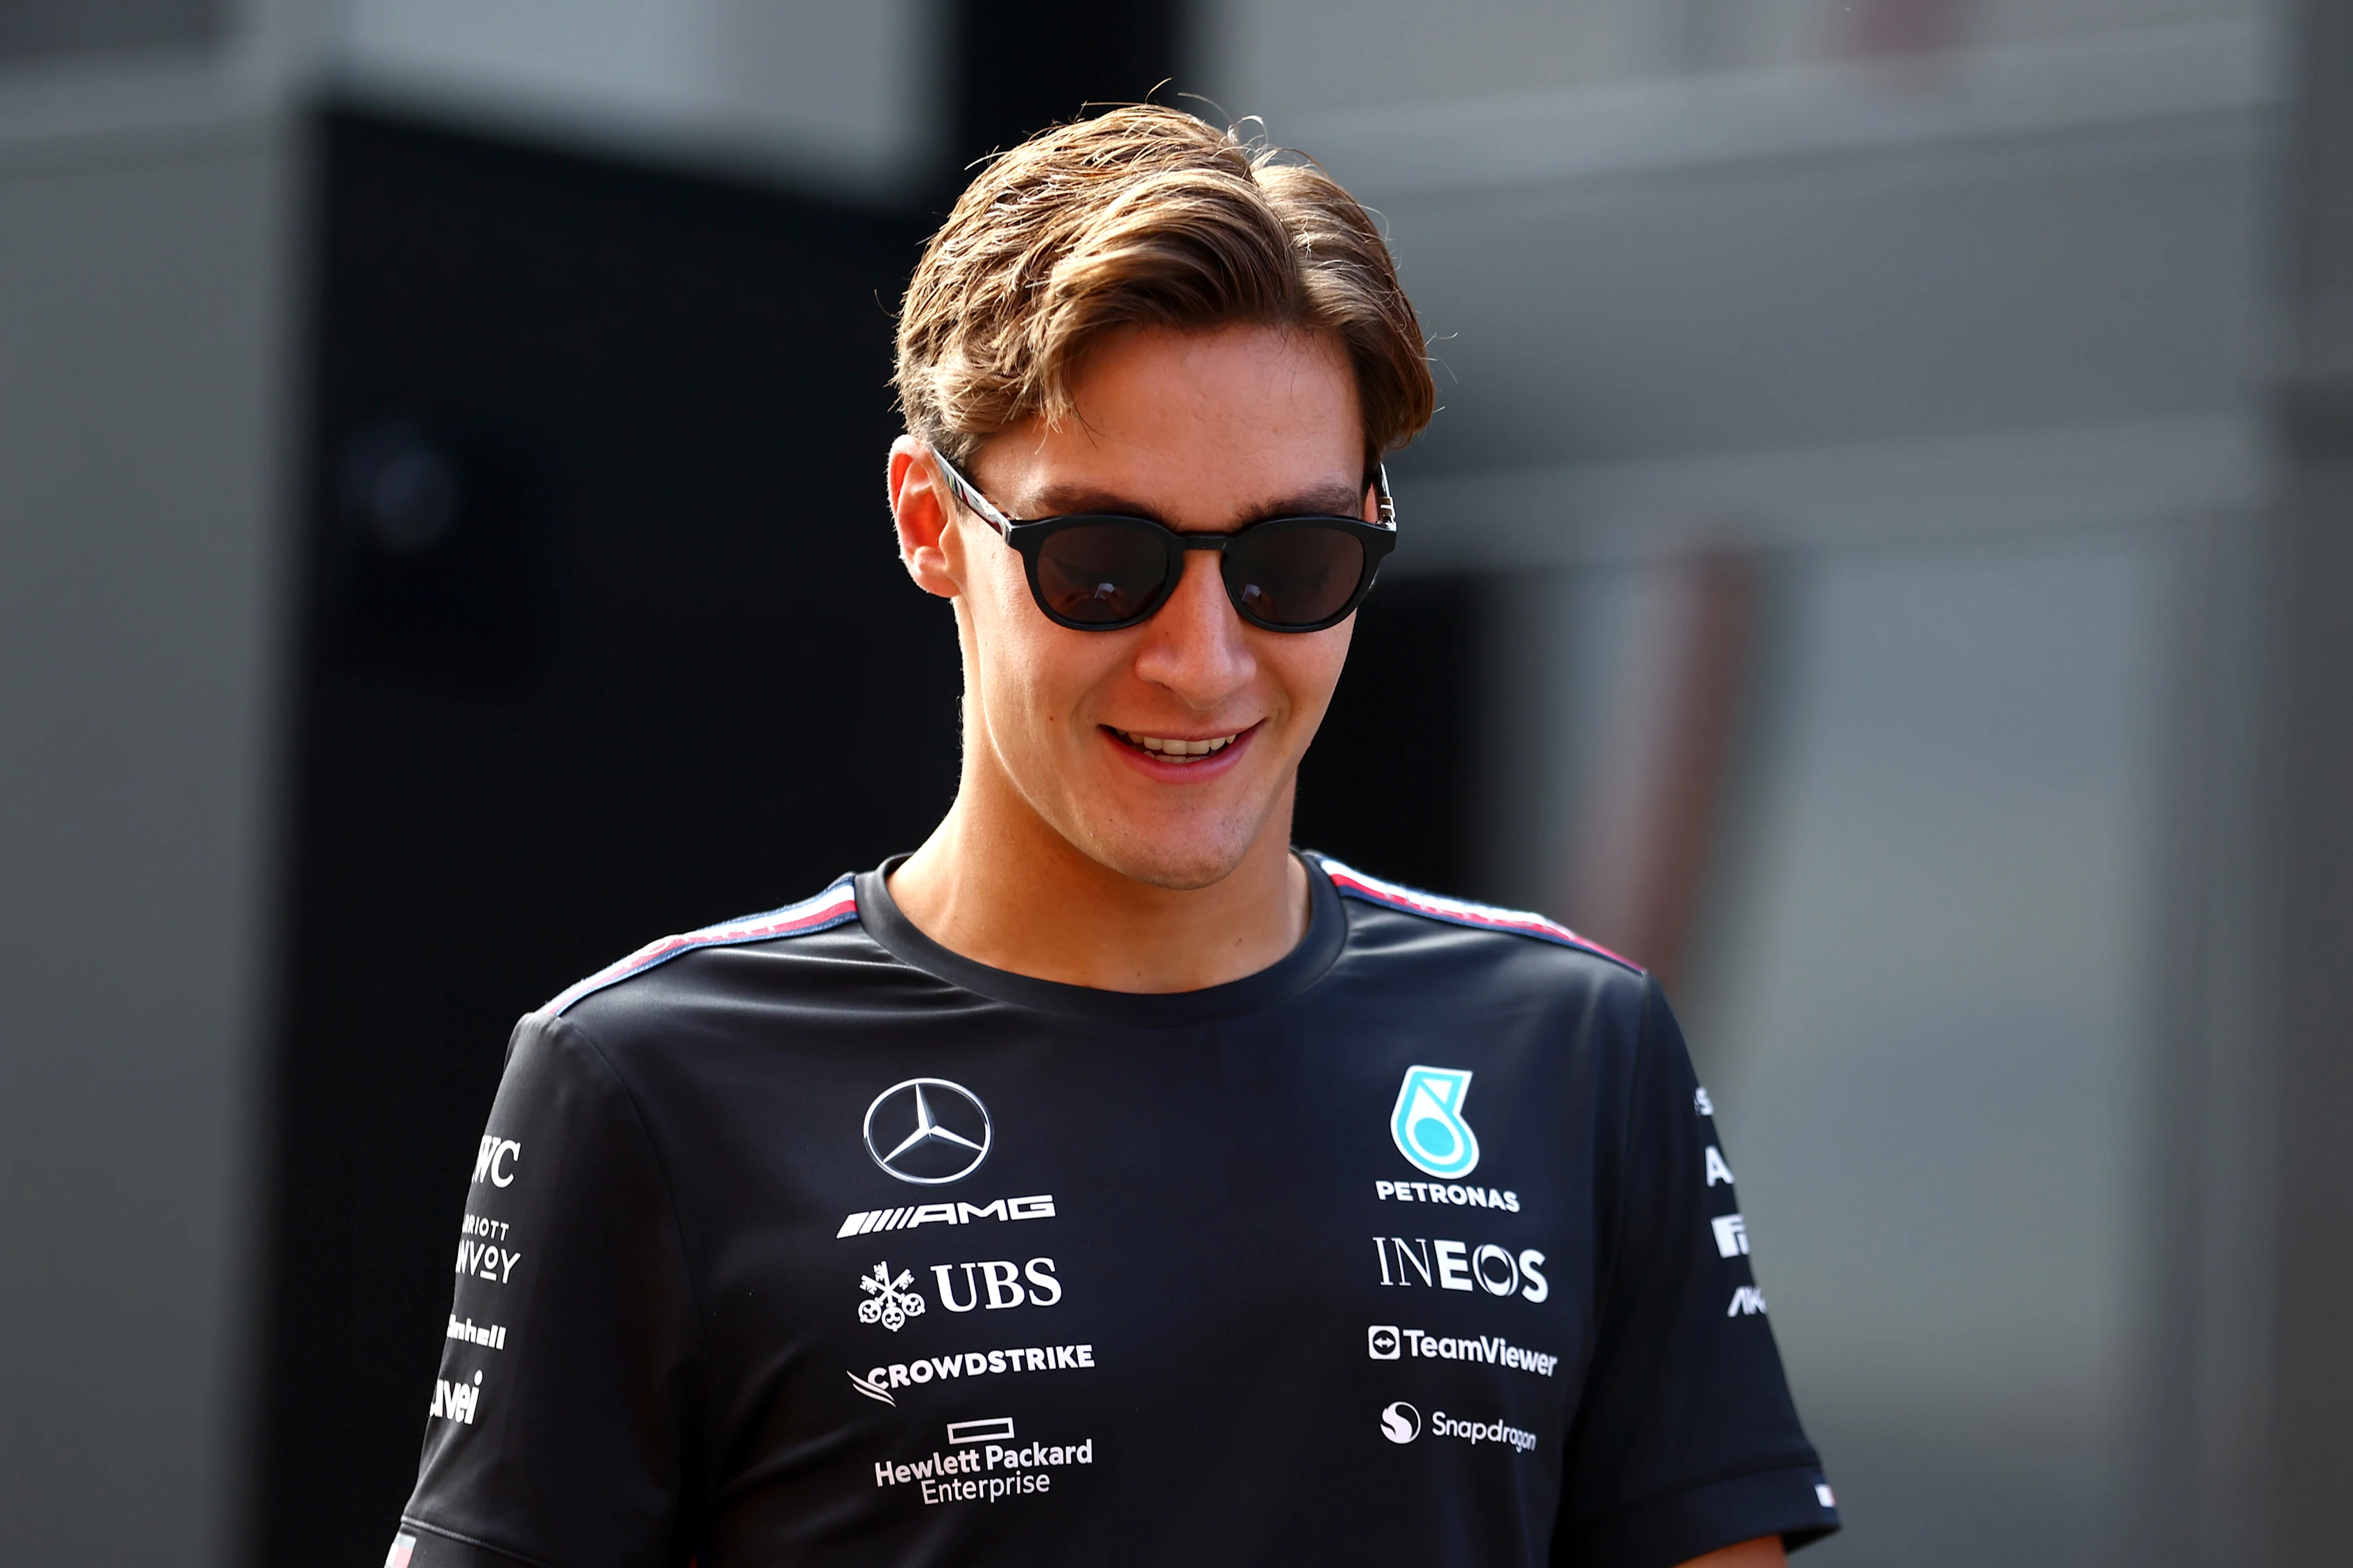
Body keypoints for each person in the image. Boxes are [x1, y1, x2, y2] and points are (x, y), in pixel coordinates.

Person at [386, 107, 1837, 1568]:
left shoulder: (1576, 1053)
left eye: (1292, 563)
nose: (1202, 662)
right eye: (1101, 563)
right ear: (929, 521)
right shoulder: (647, 1082)